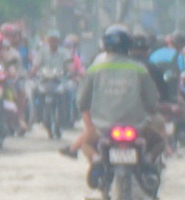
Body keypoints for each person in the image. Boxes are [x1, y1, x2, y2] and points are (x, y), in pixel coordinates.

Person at [69, 24, 162, 181]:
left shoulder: (94, 69)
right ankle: (146, 160)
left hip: (103, 127)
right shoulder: (140, 69)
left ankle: (97, 159)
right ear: (129, 45)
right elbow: (152, 101)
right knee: (159, 142)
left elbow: (82, 101)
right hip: (137, 126)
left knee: (86, 143)